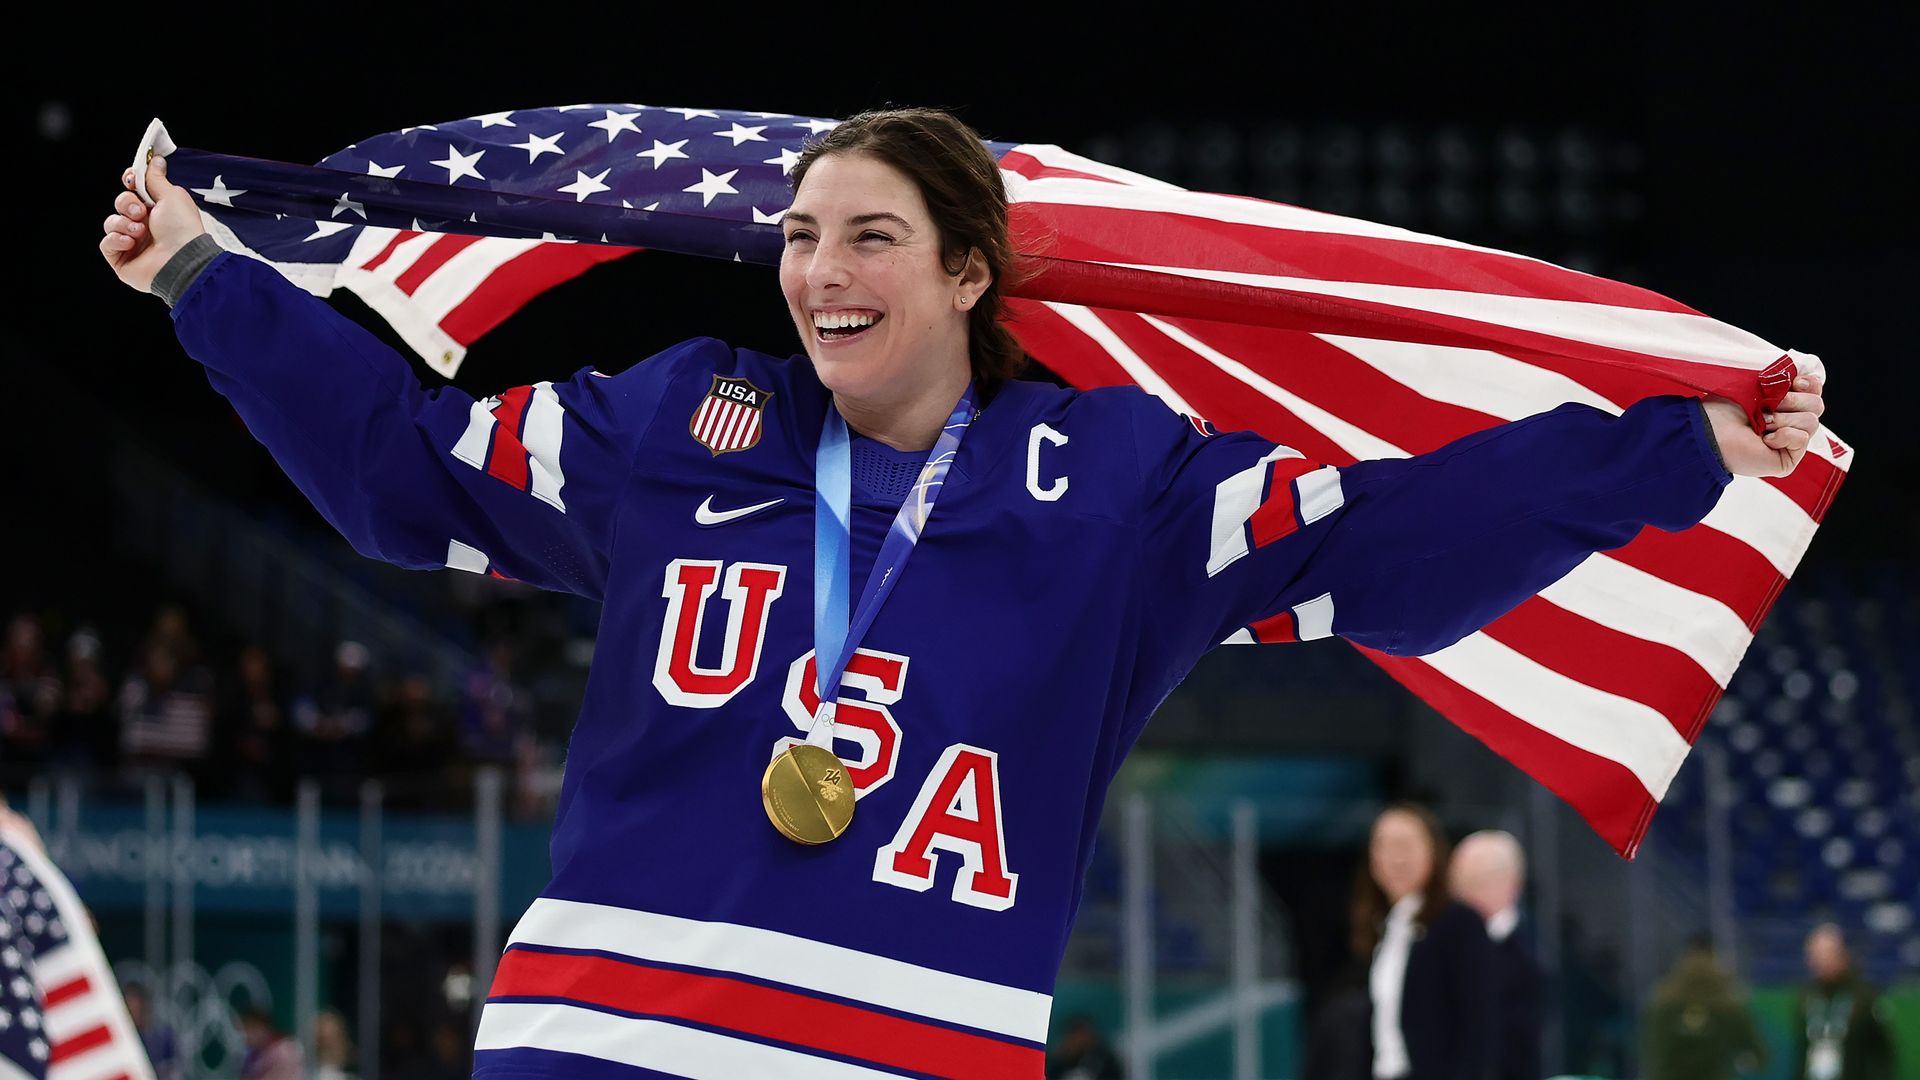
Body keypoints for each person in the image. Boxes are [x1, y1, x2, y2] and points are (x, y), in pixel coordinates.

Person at [101, 107, 1829, 1079]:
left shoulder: (1117, 491)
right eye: (797, 235)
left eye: (868, 239)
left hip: (907, 1051)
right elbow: (402, 474)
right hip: (600, 1037)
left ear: (968, 273)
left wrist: (1676, 457)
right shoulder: (672, 422)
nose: (817, 271)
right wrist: (199, 278)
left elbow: (1394, 544)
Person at [1350, 803, 1496, 1079]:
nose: (1396, 858)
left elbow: (1480, 1026)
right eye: (1384, 846)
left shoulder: (1458, 923)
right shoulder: (1386, 927)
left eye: (1405, 845)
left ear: (1434, 851)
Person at [1448, 830, 1544, 1080]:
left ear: (1511, 885)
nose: (1464, 895)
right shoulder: (1445, 944)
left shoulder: (1527, 957)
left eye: (1476, 881)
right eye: (1459, 883)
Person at [1641, 936, 1767, 1080]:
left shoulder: (1662, 1002)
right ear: (1715, 956)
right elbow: (1758, 1056)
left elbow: (1653, 1054)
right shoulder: (1729, 1004)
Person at [1793, 923, 1895, 1080]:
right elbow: (1802, 1050)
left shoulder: (1864, 995)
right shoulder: (1806, 996)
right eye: (1815, 955)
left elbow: (1884, 1052)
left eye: (1827, 953)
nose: (1821, 961)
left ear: (1842, 954)